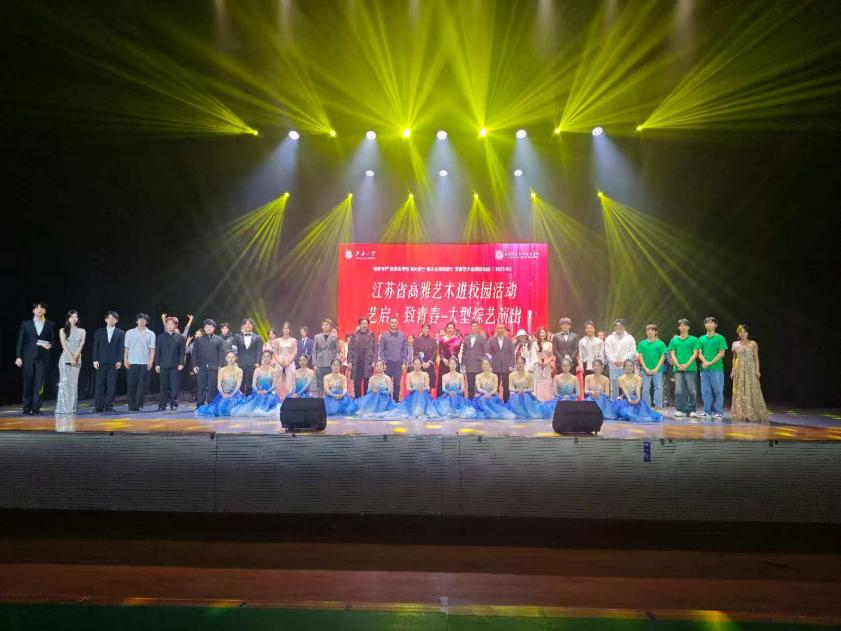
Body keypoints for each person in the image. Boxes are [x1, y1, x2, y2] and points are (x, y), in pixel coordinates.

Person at [14, 302, 56, 415]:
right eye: (37, 308)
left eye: (41, 308)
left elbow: (53, 340)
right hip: (28, 357)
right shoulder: (25, 324)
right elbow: (20, 341)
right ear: (33, 311)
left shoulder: (50, 324)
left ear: (45, 311)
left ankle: (36, 407)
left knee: (39, 383)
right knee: (27, 382)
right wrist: (18, 356)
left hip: (42, 358)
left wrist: (50, 345)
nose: (39, 310)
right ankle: (26, 407)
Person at [730, 324, 769, 422]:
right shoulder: (735, 344)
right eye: (740, 332)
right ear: (738, 333)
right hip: (739, 369)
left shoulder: (753, 344)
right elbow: (734, 358)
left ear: (748, 333)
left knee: (751, 389)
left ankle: (752, 413)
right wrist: (732, 370)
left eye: (745, 332)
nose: (742, 334)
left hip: (750, 369)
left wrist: (757, 370)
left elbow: (756, 358)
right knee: (739, 391)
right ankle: (741, 413)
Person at [55, 310, 86, 416]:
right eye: (72, 317)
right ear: (68, 318)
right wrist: (70, 357)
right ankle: (63, 407)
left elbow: (81, 345)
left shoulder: (82, 331)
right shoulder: (62, 330)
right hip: (65, 359)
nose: (74, 319)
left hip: (77, 359)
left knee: (73, 383)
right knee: (64, 383)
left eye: (76, 317)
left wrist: (75, 357)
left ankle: (71, 407)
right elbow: (64, 345)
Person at [231, 350, 280, 417]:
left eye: (268, 357)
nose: (266, 358)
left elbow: (274, 385)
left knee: (269, 399)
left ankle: (264, 410)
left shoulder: (273, 371)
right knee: (258, 399)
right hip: (257, 393)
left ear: (271, 358)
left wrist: (267, 391)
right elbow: (253, 384)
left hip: (268, 393)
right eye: (264, 356)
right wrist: (258, 391)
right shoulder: (257, 370)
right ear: (262, 358)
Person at [92, 310, 124, 413]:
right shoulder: (99, 332)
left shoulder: (120, 332)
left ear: (117, 320)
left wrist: (119, 360)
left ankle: (109, 406)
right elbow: (95, 347)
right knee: (99, 384)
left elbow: (121, 348)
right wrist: (95, 360)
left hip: (114, 363)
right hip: (100, 362)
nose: (111, 320)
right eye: (109, 318)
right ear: (105, 319)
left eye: (113, 318)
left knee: (112, 385)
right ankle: (98, 406)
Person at [196, 351, 244, 417]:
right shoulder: (222, 370)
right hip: (223, 394)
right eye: (229, 357)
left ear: (236, 358)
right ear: (226, 358)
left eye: (233, 357)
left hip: (235, 394)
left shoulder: (239, 370)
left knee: (234, 408)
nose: (231, 359)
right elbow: (219, 385)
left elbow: (238, 385)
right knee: (219, 408)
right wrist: (223, 394)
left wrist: (232, 394)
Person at [124, 313, 156, 412]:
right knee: (131, 384)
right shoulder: (129, 332)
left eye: (144, 320)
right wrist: (125, 359)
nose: (142, 321)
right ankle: (131, 405)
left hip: (144, 362)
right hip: (132, 362)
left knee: (142, 386)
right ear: (136, 321)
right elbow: (126, 347)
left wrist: (151, 361)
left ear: (147, 322)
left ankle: (139, 405)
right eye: (140, 319)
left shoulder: (151, 334)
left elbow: (152, 349)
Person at [668, 319, 700, 418]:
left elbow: (695, 353)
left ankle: (692, 410)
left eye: (685, 325)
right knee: (679, 391)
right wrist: (678, 365)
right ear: (678, 327)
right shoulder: (674, 340)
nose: (683, 327)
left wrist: (686, 365)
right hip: (678, 369)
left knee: (692, 390)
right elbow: (672, 353)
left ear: (688, 327)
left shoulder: (694, 339)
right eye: (681, 325)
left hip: (690, 368)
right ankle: (680, 409)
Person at [698, 316, 728, 420]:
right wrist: (704, 361)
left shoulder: (720, 338)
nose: (709, 324)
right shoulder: (701, 339)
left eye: (711, 323)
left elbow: (722, 353)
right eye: (707, 322)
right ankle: (707, 412)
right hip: (704, 369)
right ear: (705, 325)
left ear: (716, 325)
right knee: (705, 391)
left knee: (718, 390)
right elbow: (699, 353)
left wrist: (710, 362)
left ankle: (718, 412)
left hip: (716, 368)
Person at [155, 316, 186, 411]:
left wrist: (181, 363)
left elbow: (182, 352)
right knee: (163, 386)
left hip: (175, 366)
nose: (169, 326)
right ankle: (162, 404)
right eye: (168, 324)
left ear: (176, 325)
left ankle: (174, 404)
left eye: (172, 324)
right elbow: (158, 352)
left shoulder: (180, 338)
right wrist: (157, 364)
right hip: (163, 365)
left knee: (174, 386)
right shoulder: (160, 337)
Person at [192, 319, 224, 408]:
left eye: (211, 326)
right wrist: (194, 365)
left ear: (214, 328)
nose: (209, 328)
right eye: (207, 326)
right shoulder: (199, 339)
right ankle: (200, 406)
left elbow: (221, 353)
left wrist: (220, 365)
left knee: (212, 388)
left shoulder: (219, 339)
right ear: (204, 328)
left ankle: (211, 407)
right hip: (201, 367)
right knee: (200, 387)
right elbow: (194, 353)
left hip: (214, 368)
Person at [604, 319, 637, 399]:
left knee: (627, 387)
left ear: (624, 327)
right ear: (614, 327)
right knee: (614, 388)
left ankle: (628, 402)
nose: (619, 327)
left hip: (626, 367)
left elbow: (632, 351)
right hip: (613, 366)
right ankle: (614, 403)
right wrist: (614, 361)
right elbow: (607, 351)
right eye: (617, 326)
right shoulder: (609, 338)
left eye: (621, 326)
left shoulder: (630, 338)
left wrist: (623, 360)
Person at [637, 324, 667, 410]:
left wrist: (656, 369)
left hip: (658, 370)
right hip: (645, 370)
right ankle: (646, 406)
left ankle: (658, 406)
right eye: (648, 330)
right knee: (645, 388)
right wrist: (645, 368)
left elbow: (663, 357)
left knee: (658, 388)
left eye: (652, 330)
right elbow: (640, 357)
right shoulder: (642, 343)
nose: (649, 332)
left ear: (655, 332)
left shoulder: (660, 344)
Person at [379, 317, 408, 402]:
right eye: (392, 322)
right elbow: (381, 350)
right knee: (386, 384)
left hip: (398, 364)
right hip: (387, 364)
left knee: (397, 384)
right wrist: (383, 363)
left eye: (395, 322)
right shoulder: (384, 335)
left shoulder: (402, 335)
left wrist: (404, 362)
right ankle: (386, 402)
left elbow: (405, 350)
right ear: (389, 323)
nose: (394, 324)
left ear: (397, 324)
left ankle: (395, 401)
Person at [232, 318, 263, 396]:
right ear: (243, 326)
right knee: (240, 384)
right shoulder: (237, 336)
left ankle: (249, 400)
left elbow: (259, 351)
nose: (248, 325)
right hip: (240, 363)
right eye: (246, 323)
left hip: (252, 364)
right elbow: (234, 350)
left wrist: (258, 362)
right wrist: (235, 361)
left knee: (250, 384)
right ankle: (240, 400)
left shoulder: (257, 337)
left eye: (250, 323)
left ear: (253, 326)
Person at [266, 322, 297, 398]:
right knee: (277, 375)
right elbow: (275, 352)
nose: (286, 330)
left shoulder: (293, 340)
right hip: (279, 360)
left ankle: (289, 396)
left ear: (290, 330)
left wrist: (289, 362)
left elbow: (295, 352)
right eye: (284, 328)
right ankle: (279, 396)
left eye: (287, 328)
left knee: (291, 375)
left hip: (289, 360)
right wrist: (279, 361)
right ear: (282, 330)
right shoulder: (277, 340)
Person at [348, 317, 377, 397]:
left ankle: (365, 402)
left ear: (368, 325)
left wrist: (374, 360)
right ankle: (357, 401)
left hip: (368, 363)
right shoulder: (354, 335)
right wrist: (349, 361)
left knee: (367, 385)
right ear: (359, 325)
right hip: (357, 363)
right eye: (362, 323)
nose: (364, 325)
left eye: (365, 323)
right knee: (357, 385)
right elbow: (350, 350)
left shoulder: (372, 335)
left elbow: (375, 349)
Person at [461, 321, 488, 399]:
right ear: (470, 327)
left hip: (478, 365)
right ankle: (471, 401)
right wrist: (463, 364)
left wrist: (485, 364)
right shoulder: (466, 338)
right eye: (472, 326)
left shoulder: (482, 338)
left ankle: (478, 402)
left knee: (478, 385)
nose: (474, 327)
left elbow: (485, 352)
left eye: (475, 326)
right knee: (470, 385)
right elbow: (464, 352)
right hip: (469, 365)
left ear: (478, 327)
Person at [488, 324, 515, 402]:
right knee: (495, 386)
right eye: (498, 328)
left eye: (502, 328)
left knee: (506, 387)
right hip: (495, 367)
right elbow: (488, 354)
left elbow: (512, 354)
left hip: (506, 367)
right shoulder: (491, 341)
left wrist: (511, 365)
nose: (500, 329)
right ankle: (495, 402)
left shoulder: (509, 341)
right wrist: (490, 365)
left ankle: (506, 403)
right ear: (496, 329)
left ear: (504, 330)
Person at [313, 319, 338, 396]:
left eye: (327, 325)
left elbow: (336, 352)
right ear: (321, 326)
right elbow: (314, 351)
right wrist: (314, 364)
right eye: (324, 325)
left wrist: (335, 364)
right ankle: (320, 401)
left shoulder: (334, 337)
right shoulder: (317, 337)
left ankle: (329, 401)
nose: (325, 326)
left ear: (330, 326)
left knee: (330, 384)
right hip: (319, 364)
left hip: (330, 364)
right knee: (319, 385)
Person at [436, 322, 462, 396]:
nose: (450, 329)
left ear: (454, 329)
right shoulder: (442, 339)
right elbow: (439, 351)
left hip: (454, 362)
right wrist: (443, 359)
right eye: (448, 328)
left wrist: (452, 360)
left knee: (455, 380)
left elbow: (458, 351)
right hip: (444, 363)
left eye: (452, 328)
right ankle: (442, 398)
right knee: (443, 380)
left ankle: (455, 397)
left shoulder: (457, 339)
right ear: (446, 329)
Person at [413, 323, 438, 393]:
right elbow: (415, 351)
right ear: (421, 329)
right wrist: (422, 362)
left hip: (429, 365)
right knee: (419, 383)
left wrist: (429, 362)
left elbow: (435, 352)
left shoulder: (433, 340)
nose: (425, 330)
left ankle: (428, 398)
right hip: (420, 365)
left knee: (429, 384)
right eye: (424, 328)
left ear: (429, 330)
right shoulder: (417, 339)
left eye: (427, 328)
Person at [533, 327, 554, 401]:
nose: (542, 334)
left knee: (547, 381)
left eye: (543, 333)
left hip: (547, 365)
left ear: (546, 334)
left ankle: (547, 399)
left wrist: (547, 361)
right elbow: (533, 355)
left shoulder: (549, 344)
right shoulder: (534, 344)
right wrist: (538, 361)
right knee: (537, 381)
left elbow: (552, 355)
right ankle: (538, 399)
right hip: (537, 365)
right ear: (538, 334)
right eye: (540, 333)